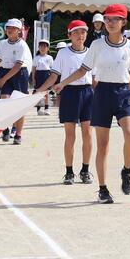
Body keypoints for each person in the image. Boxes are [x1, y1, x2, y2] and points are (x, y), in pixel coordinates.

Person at [47, 4, 130, 204]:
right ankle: (103, 189)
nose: (110, 22)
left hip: (123, 93)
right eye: (107, 19)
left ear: (123, 22)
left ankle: (126, 171)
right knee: (103, 145)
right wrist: (62, 83)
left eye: (115, 19)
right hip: (102, 93)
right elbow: (83, 70)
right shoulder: (97, 45)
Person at [36, 20, 93, 185]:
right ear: (69, 35)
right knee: (70, 134)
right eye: (76, 32)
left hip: (88, 93)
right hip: (69, 93)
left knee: (88, 134)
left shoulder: (91, 53)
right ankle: (69, 172)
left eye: (83, 32)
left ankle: (85, 170)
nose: (80, 35)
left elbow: (95, 77)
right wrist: (39, 90)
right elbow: (54, 76)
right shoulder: (63, 53)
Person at [0, 18, 31, 145]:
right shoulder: (2, 43)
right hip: (4, 71)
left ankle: (18, 134)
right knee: (5, 101)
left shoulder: (22, 45)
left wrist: (3, 80)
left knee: (19, 106)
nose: (9, 30)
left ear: (19, 31)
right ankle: (6, 129)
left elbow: (17, 66)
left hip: (19, 74)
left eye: (13, 28)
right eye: (8, 27)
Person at [32, 39, 53, 115]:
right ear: (38, 47)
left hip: (47, 75)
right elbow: (34, 69)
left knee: (46, 93)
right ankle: (38, 110)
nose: (43, 48)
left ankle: (47, 108)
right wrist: (33, 79)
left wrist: (52, 80)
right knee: (38, 92)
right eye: (41, 46)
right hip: (39, 75)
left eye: (45, 46)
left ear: (48, 48)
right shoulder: (36, 58)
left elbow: (52, 69)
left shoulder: (50, 57)